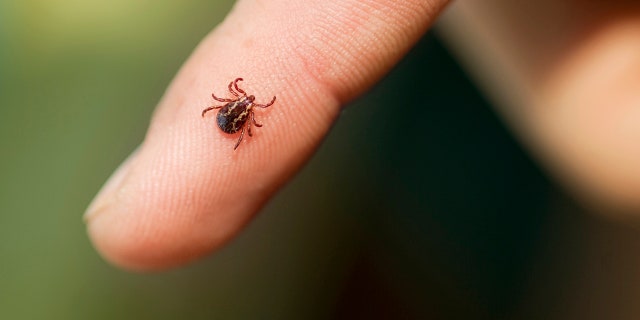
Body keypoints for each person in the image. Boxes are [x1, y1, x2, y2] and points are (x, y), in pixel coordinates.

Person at [84, 0, 640, 271]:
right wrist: (239, 119)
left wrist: (232, 120)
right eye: (241, 105)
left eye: (240, 105)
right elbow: (237, 114)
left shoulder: (235, 106)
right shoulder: (243, 106)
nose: (241, 107)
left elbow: (228, 113)